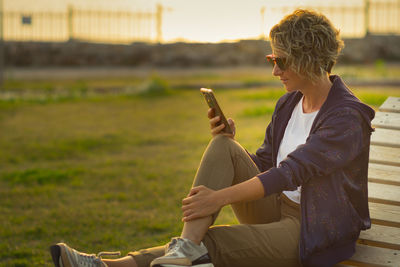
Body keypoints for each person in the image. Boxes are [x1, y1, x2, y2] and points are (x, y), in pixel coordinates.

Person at [49, 9, 375, 267]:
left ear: (309, 58)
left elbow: (291, 172)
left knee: (212, 244)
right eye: (271, 60)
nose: (274, 70)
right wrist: (235, 145)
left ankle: (114, 265)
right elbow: (265, 163)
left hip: (313, 230)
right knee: (223, 145)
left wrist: (218, 198)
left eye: (280, 61)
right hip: (276, 206)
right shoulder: (290, 102)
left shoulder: (346, 117)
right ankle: (184, 248)